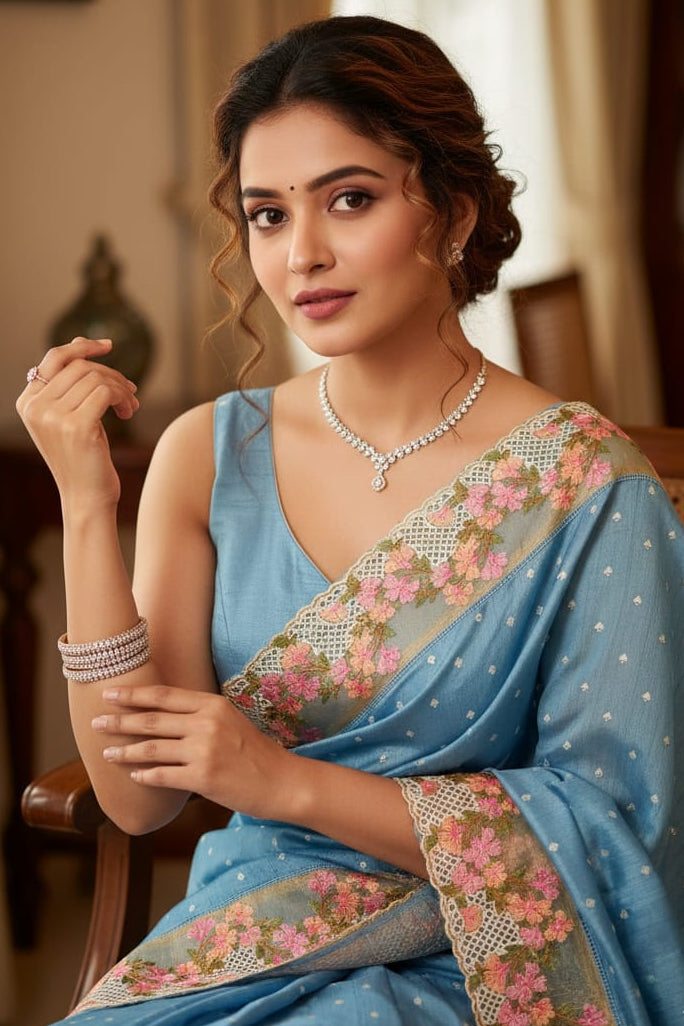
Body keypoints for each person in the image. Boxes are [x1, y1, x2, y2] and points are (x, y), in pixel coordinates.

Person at [17, 15, 683, 1026]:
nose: (303, 254)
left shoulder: (587, 484)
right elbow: (138, 800)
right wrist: (85, 503)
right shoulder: (210, 453)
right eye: (268, 214)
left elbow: (611, 831)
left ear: (452, 212)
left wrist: (278, 781)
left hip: (487, 959)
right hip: (247, 937)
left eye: (351, 199)